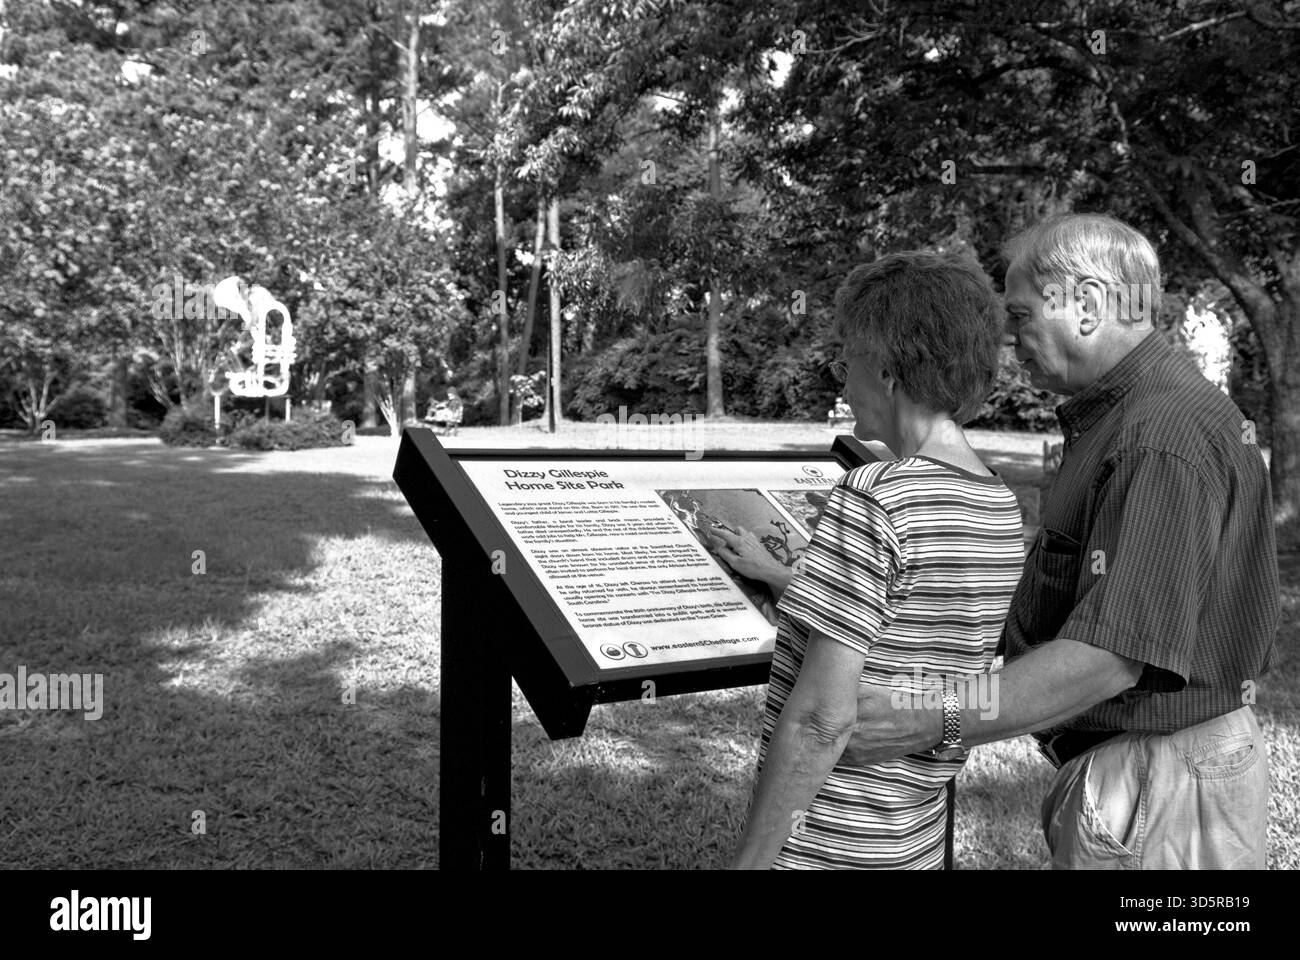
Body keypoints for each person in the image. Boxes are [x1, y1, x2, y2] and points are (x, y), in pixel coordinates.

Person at [842, 213, 1279, 869]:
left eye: (1020, 316)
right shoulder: (1131, 415)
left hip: (1159, 782)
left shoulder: (1157, 435)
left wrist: (929, 716)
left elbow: (1105, 659)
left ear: (1090, 304)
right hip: (1156, 773)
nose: (1009, 340)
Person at [720, 250, 1025, 869]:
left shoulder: (874, 495)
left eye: (847, 363)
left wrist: (749, 862)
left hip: (828, 844)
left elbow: (820, 721)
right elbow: (909, 632)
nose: (843, 382)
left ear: (886, 371)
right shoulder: (999, 502)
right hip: (910, 837)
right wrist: (790, 578)